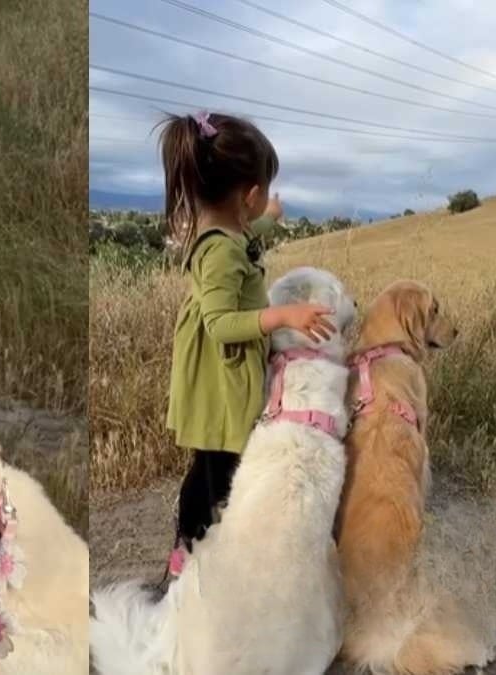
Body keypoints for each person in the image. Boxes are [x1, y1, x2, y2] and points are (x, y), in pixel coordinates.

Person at [160, 111, 336, 581]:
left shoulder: (226, 231)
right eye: (265, 194)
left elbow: (244, 238)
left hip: (221, 374)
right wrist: (283, 315)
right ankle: (193, 549)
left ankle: (201, 542)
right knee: (219, 468)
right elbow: (219, 323)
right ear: (250, 196)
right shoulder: (220, 249)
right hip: (218, 379)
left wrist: (270, 221)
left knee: (215, 463)